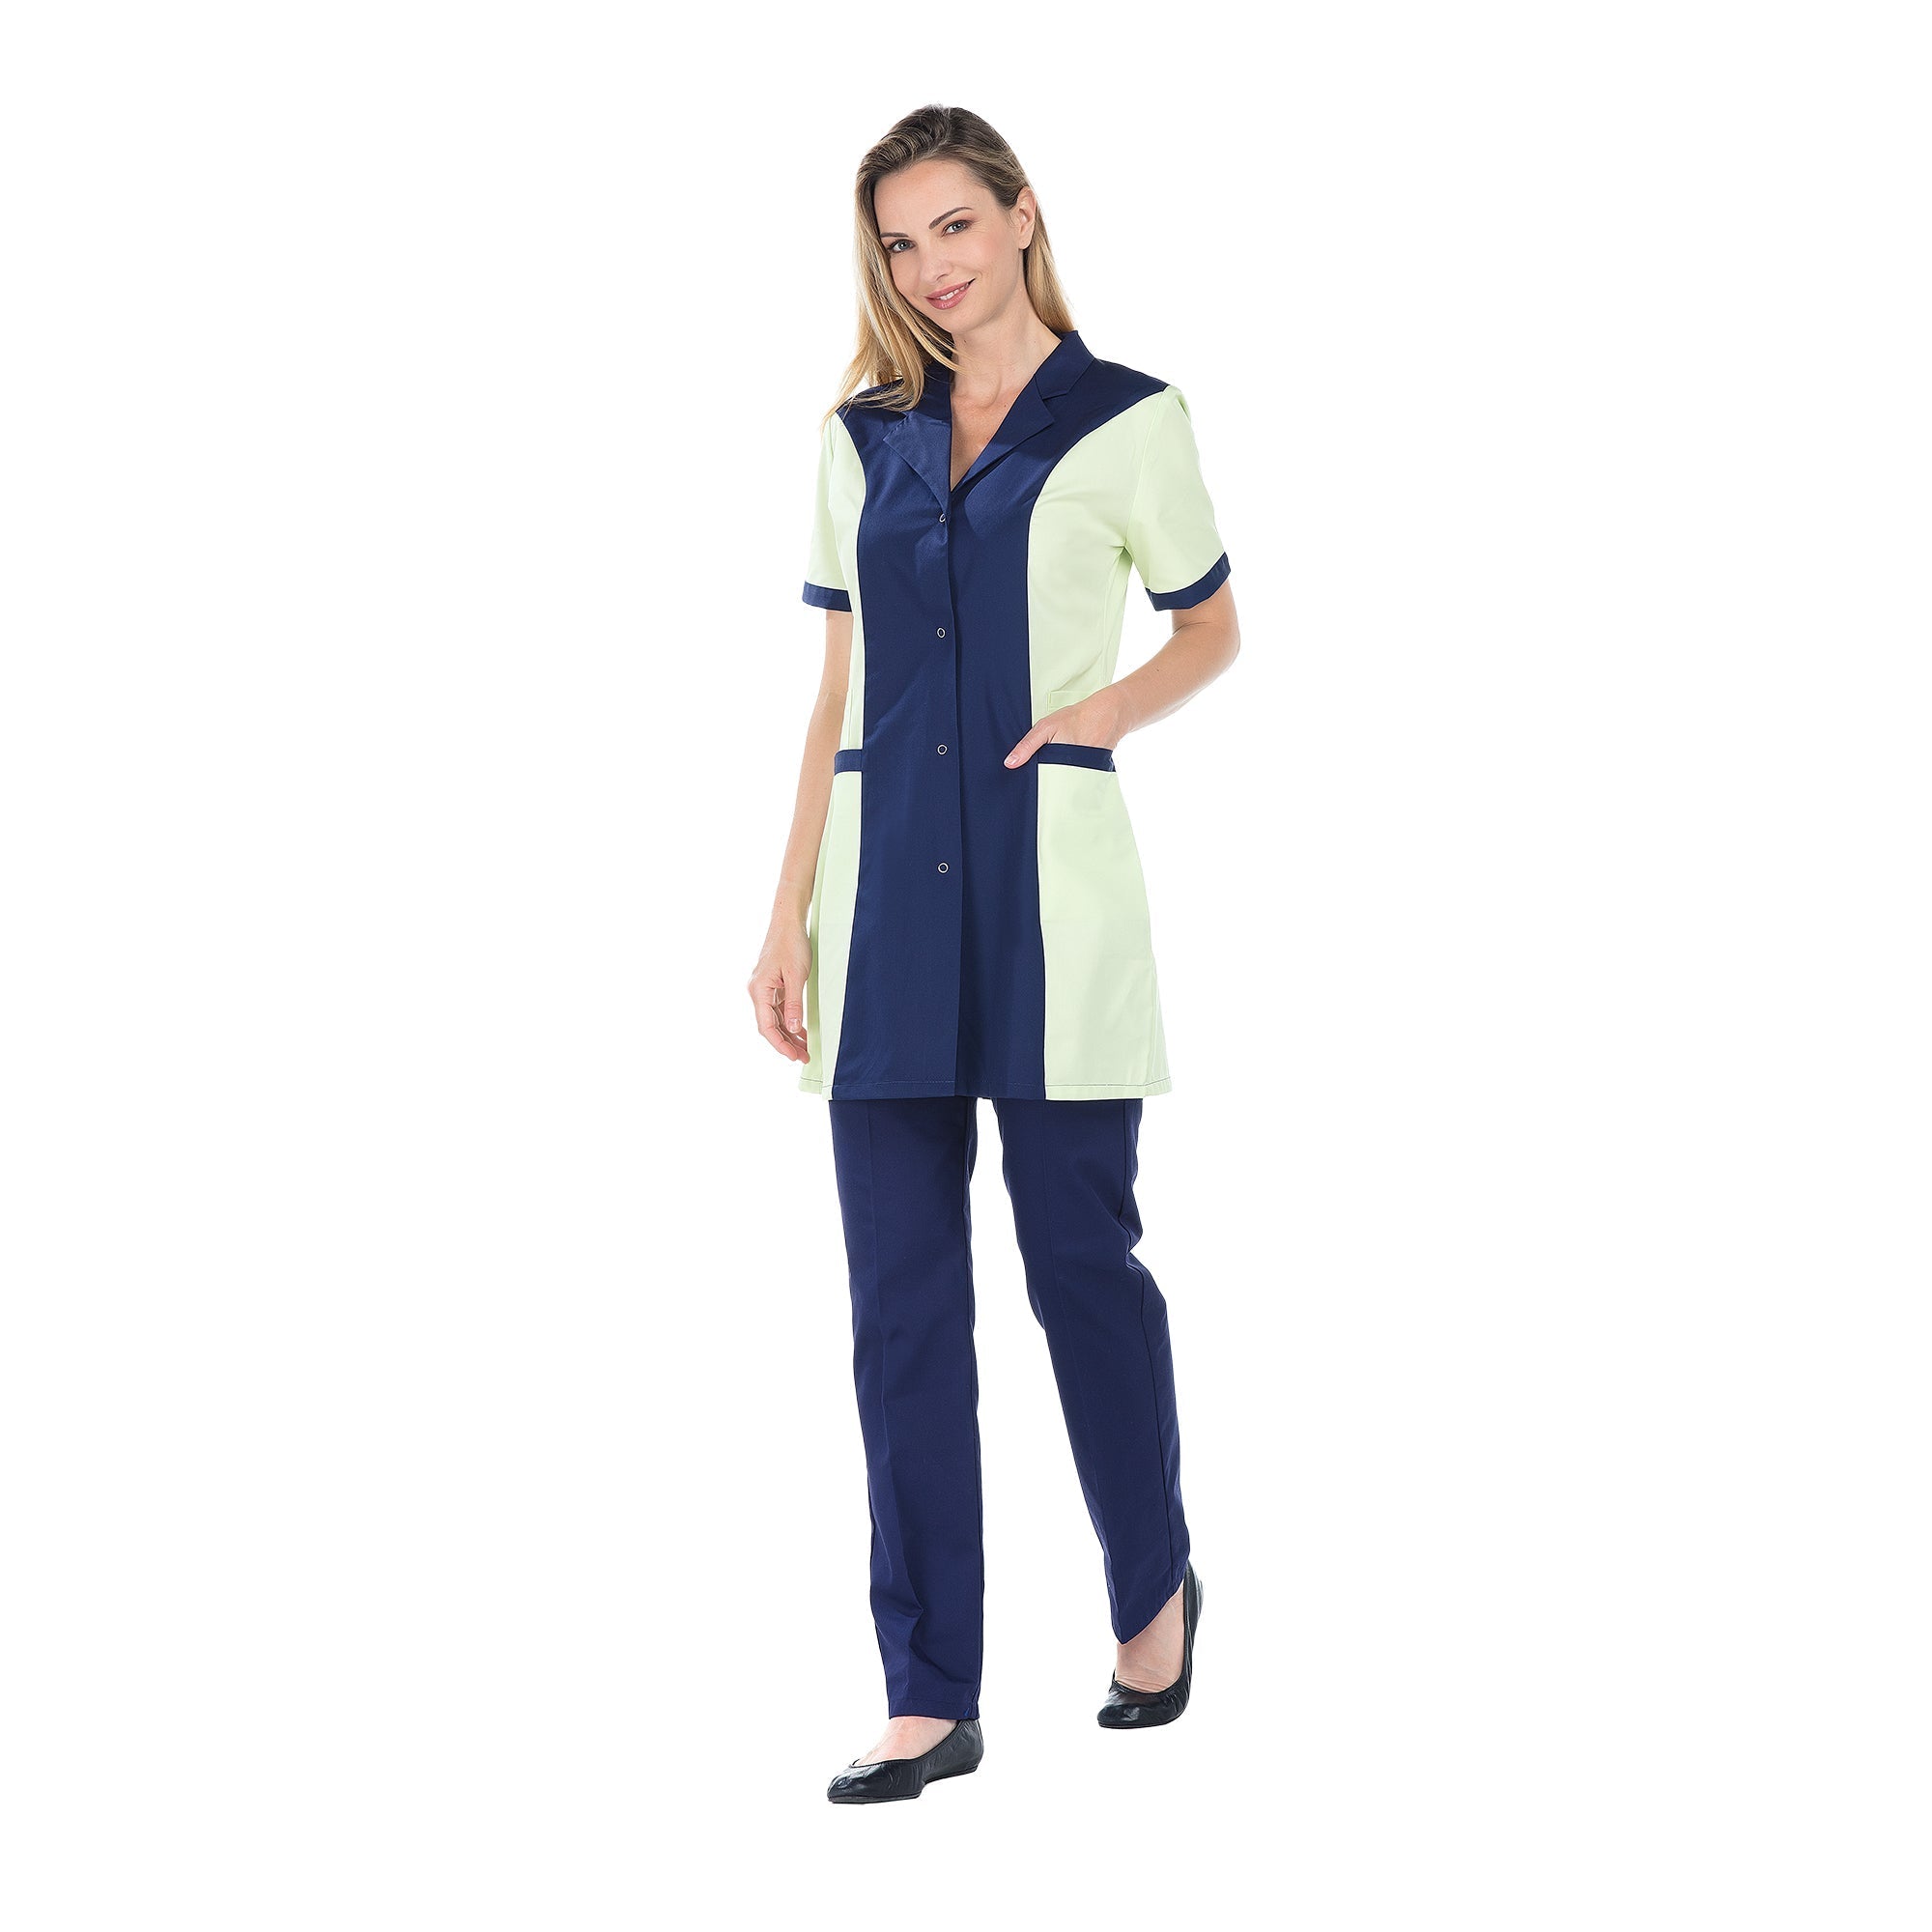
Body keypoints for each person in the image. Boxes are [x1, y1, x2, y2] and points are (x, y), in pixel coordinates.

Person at [749, 102, 1239, 1804]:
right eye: (900, 244)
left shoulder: (1130, 419)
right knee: (899, 1305)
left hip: (1054, 904)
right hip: (881, 906)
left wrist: (1107, 711)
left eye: (955, 225)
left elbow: (1212, 624)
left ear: (1022, 216)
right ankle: (926, 1692)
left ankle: (1153, 1590)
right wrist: (786, 910)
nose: (930, 267)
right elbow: (837, 689)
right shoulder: (860, 441)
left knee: (1080, 1265)